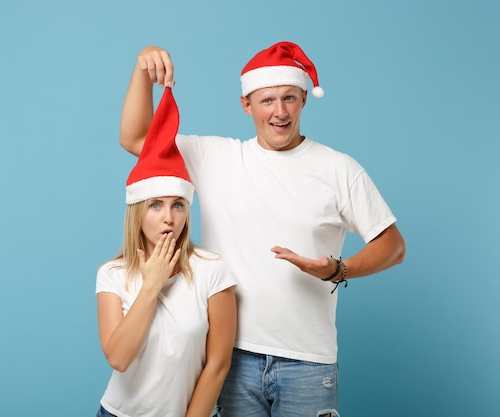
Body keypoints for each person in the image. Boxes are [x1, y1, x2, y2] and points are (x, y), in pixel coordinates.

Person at [119, 41, 406, 417]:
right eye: (267, 100)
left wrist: (338, 269)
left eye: (289, 98)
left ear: (304, 98)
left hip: (308, 361)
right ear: (247, 105)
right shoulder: (216, 157)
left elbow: (393, 245)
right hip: (231, 356)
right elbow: (136, 139)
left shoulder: (339, 169)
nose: (280, 111)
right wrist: (143, 72)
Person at [95, 86, 237, 417]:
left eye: (177, 205)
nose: (168, 217)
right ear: (138, 213)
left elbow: (218, 364)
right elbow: (118, 357)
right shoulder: (112, 275)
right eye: (155, 205)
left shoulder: (211, 270)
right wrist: (152, 284)